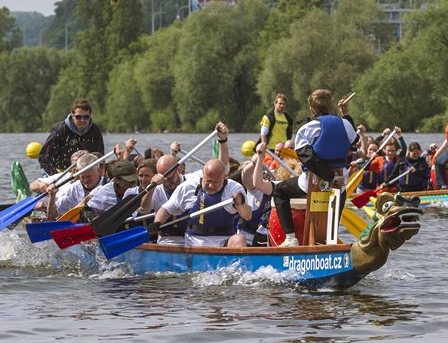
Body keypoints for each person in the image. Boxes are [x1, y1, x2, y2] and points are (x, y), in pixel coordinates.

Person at [271, 89, 358, 247]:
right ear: (331, 107)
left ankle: (291, 239)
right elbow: (354, 143)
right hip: (340, 183)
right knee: (340, 192)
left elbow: (307, 157)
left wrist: (328, 177)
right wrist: (345, 114)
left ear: (311, 109)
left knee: (279, 191)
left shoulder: (307, 128)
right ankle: (330, 239)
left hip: (314, 181)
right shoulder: (346, 124)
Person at [147, 159, 251, 247]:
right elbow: (166, 209)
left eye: (215, 182)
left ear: (223, 177)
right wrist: (157, 222)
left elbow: (247, 216)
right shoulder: (188, 187)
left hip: (224, 240)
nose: (210, 185)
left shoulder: (234, 188)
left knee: (239, 239)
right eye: (208, 181)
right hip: (194, 241)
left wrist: (240, 204)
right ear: (203, 174)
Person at [39, 99, 104, 175]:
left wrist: (90, 155)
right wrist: (55, 176)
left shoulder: (95, 130)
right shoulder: (60, 130)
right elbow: (43, 157)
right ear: (72, 116)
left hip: (86, 174)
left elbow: (100, 157)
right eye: (78, 117)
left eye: (86, 117)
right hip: (60, 173)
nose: (82, 120)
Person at [45, 153, 105, 220]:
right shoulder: (74, 188)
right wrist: (52, 196)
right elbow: (51, 216)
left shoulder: (106, 185)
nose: (85, 180)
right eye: (83, 177)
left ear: (98, 171)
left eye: (88, 176)